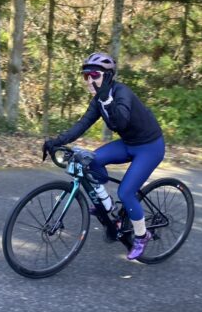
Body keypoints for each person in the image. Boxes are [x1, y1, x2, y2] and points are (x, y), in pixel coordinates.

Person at [42, 52, 165, 260]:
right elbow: (82, 124)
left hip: (149, 147)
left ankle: (142, 235)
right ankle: (108, 205)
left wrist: (107, 98)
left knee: (126, 192)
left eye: (94, 75)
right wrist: (57, 141)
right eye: (86, 76)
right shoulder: (99, 99)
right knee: (92, 161)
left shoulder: (121, 93)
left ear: (107, 76)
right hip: (129, 143)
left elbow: (121, 121)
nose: (89, 80)